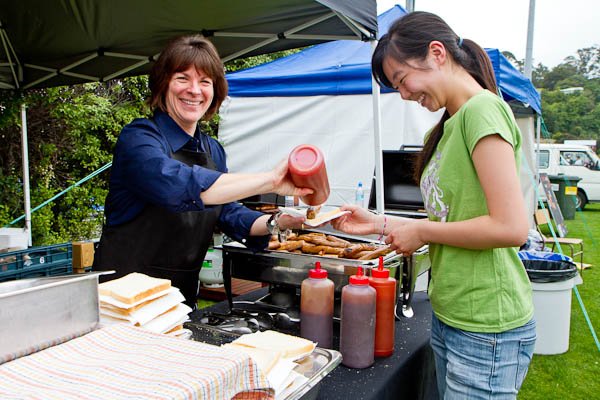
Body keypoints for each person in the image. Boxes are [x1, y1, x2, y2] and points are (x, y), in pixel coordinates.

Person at [332, 12, 535, 399]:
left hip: (487, 324)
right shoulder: (446, 127)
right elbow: (455, 217)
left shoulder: (483, 111)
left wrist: (422, 231)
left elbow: (511, 227)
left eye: (401, 81)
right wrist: (379, 223)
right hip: (453, 315)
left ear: (437, 53)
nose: (404, 95)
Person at [93, 34, 310, 308]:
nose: (194, 90)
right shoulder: (139, 138)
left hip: (178, 303)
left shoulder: (214, 151)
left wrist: (280, 222)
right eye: (182, 78)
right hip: (120, 303)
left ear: (215, 91)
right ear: (163, 84)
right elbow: (177, 185)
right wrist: (270, 180)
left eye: (205, 81)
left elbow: (229, 213)